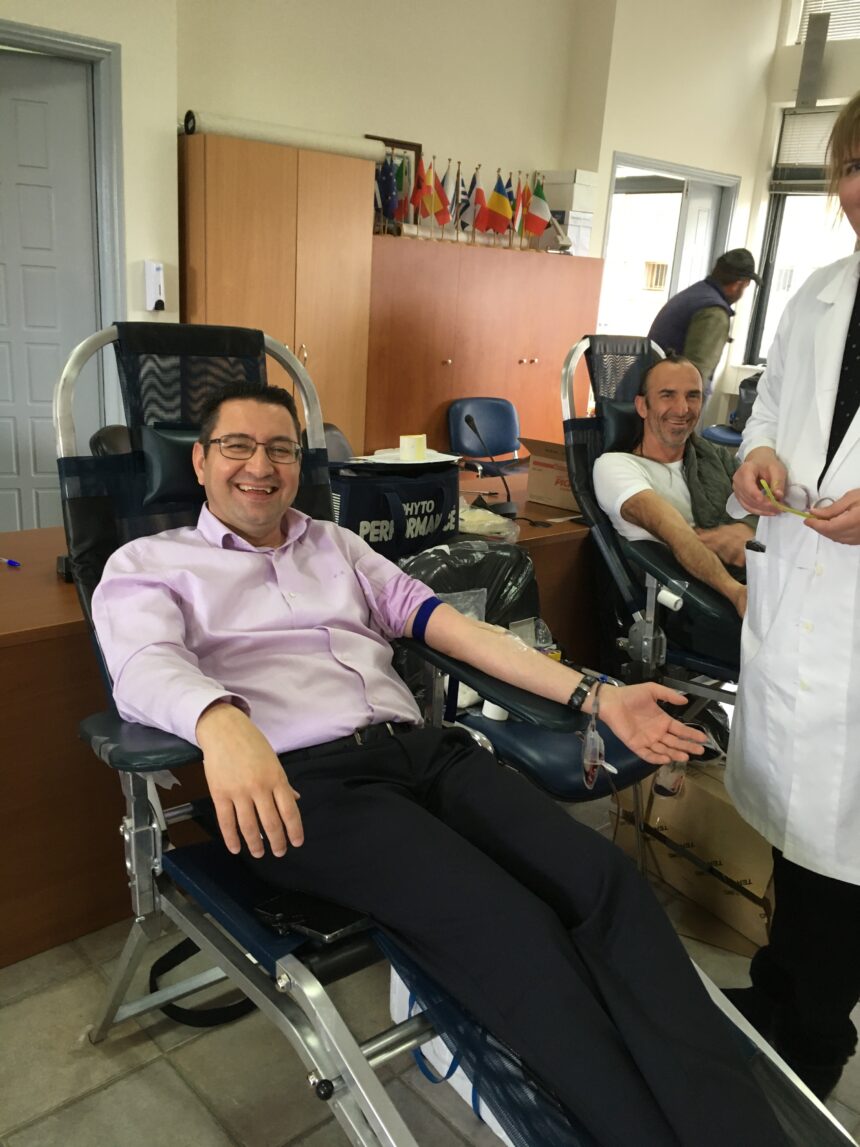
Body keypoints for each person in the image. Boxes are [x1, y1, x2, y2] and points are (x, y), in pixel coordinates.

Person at [91, 381, 790, 1146]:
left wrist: (596, 694)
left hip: (423, 755)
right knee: (513, 930)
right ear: (198, 460)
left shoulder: (337, 546)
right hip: (306, 790)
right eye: (237, 446)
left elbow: (453, 628)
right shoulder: (151, 564)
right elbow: (144, 663)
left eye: (281, 448)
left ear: (299, 463)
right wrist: (218, 719)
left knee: (606, 883)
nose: (260, 465)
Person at [727, 91, 860, 1100]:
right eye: (849, 168)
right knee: (792, 835)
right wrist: (756, 456)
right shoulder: (819, 289)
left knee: (843, 860)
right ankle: (774, 991)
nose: (857, 190)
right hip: (798, 593)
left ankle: (813, 1045)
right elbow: (768, 408)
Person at [592, 353, 753, 618]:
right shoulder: (615, 467)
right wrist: (736, 592)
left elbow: (763, 510)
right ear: (642, 406)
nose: (682, 409)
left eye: (693, 396)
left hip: (759, 577)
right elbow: (675, 532)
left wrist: (747, 529)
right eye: (667, 395)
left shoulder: (716, 457)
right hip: (700, 604)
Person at [648, 249, 761, 396]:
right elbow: (694, 377)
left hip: (653, 389)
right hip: (668, 397)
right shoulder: (713, 313)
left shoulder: (696, 294)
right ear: (738, 285)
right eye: (746, 286)